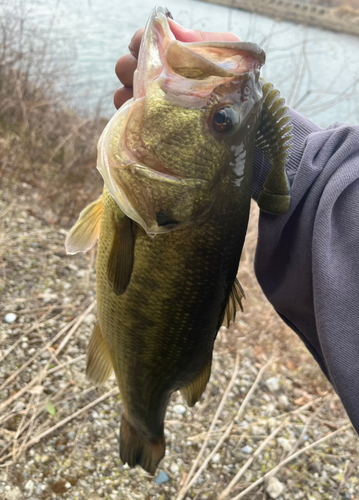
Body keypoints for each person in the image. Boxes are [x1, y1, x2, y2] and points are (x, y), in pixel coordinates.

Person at [113, 20, 359, 434]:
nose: (219, 118)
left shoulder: (156, 205)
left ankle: (140, 421)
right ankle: (143, 417)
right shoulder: (160, 203)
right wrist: (283, 157)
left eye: (220, 120)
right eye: (222, 119)